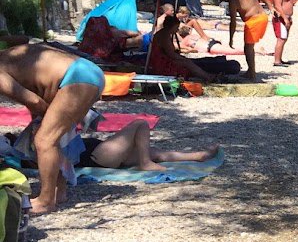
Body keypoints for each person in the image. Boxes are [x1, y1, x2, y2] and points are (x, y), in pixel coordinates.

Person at [0, 44, 105, 213]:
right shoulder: (8, 57)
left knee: (44, 140)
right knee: (46, 136)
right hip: (83, 71)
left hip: (78, 77)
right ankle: (58, 191)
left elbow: (33, 101)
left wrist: (46, 118)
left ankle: (46, 201)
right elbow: (37, 87)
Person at [20, 119, 219, 172]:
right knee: (140, 123)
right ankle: (144, 163)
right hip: (98, 155)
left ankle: (198, 155)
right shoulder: (40, 142)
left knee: (155, 152)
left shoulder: (44, 137)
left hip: (101, 152)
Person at [215, 0, 268, 80]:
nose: (222, 1)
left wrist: (231, 39)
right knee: (249, 47)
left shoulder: (233, 0)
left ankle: (252, 73)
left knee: (248, 48)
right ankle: (250, 71)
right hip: (263, 16)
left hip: (254, 20)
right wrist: (271, 8)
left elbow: (233, 22)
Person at [147, 16, 216, 81]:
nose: (177, 29)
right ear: (172, 26)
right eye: (176, 27)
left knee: (187, 61)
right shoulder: (165, 36)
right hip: (162, 63)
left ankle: (206, 76)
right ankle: (208, 77)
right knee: (188, 63)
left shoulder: (163, 33)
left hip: (160, 59)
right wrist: (183, 58)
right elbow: (171, 54)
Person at [270, 0, 295, 66]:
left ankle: (279, 59)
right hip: (281, 18)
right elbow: (277, 6)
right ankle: (277, 61)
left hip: (286, 17)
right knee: (281, 38)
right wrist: (285, 18)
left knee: (284, 39)